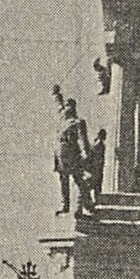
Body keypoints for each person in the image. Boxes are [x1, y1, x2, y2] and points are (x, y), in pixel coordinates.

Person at [52, 87, 90, 215]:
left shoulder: (78, 122)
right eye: (66, 105)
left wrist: (86, 153)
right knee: (63, 180)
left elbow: (83, 139)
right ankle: (65, 205)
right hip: (60, 155)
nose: (66, 108)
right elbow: (59, 104)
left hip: (73, 154)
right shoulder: (63, 118)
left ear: (73, 108)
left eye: (69, 106)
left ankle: (88, 203)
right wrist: (56, 93)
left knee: (79, 179)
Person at [84, 129, 107, 212]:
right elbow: (95, 158)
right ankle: (91, 206)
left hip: (96, 170)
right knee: (93, 189)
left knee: (95, 190)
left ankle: (93, 207)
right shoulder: (99, 145)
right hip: (96, 170)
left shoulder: (96, 144)